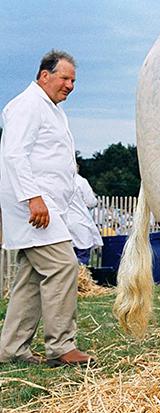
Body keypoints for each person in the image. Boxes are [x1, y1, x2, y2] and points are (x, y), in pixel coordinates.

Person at [0, 50, 95, 366]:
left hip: (46, 206)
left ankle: (11, 348)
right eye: (64, 78)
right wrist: (33, 197)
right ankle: (61, 346)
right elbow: (14, 155)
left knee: (31, 278)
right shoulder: (28, 105)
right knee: (63, 266)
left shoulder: (50, 109)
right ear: (44, 76)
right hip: (36, 207)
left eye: (73, 80)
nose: (70, 85)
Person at [67, 171, 103, 266]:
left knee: (67, 259)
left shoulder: (58, 180)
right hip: (80, 222)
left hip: (63, 223)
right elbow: (90, 202)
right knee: (82, 257)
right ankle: (81, 277)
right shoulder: (80, 181)